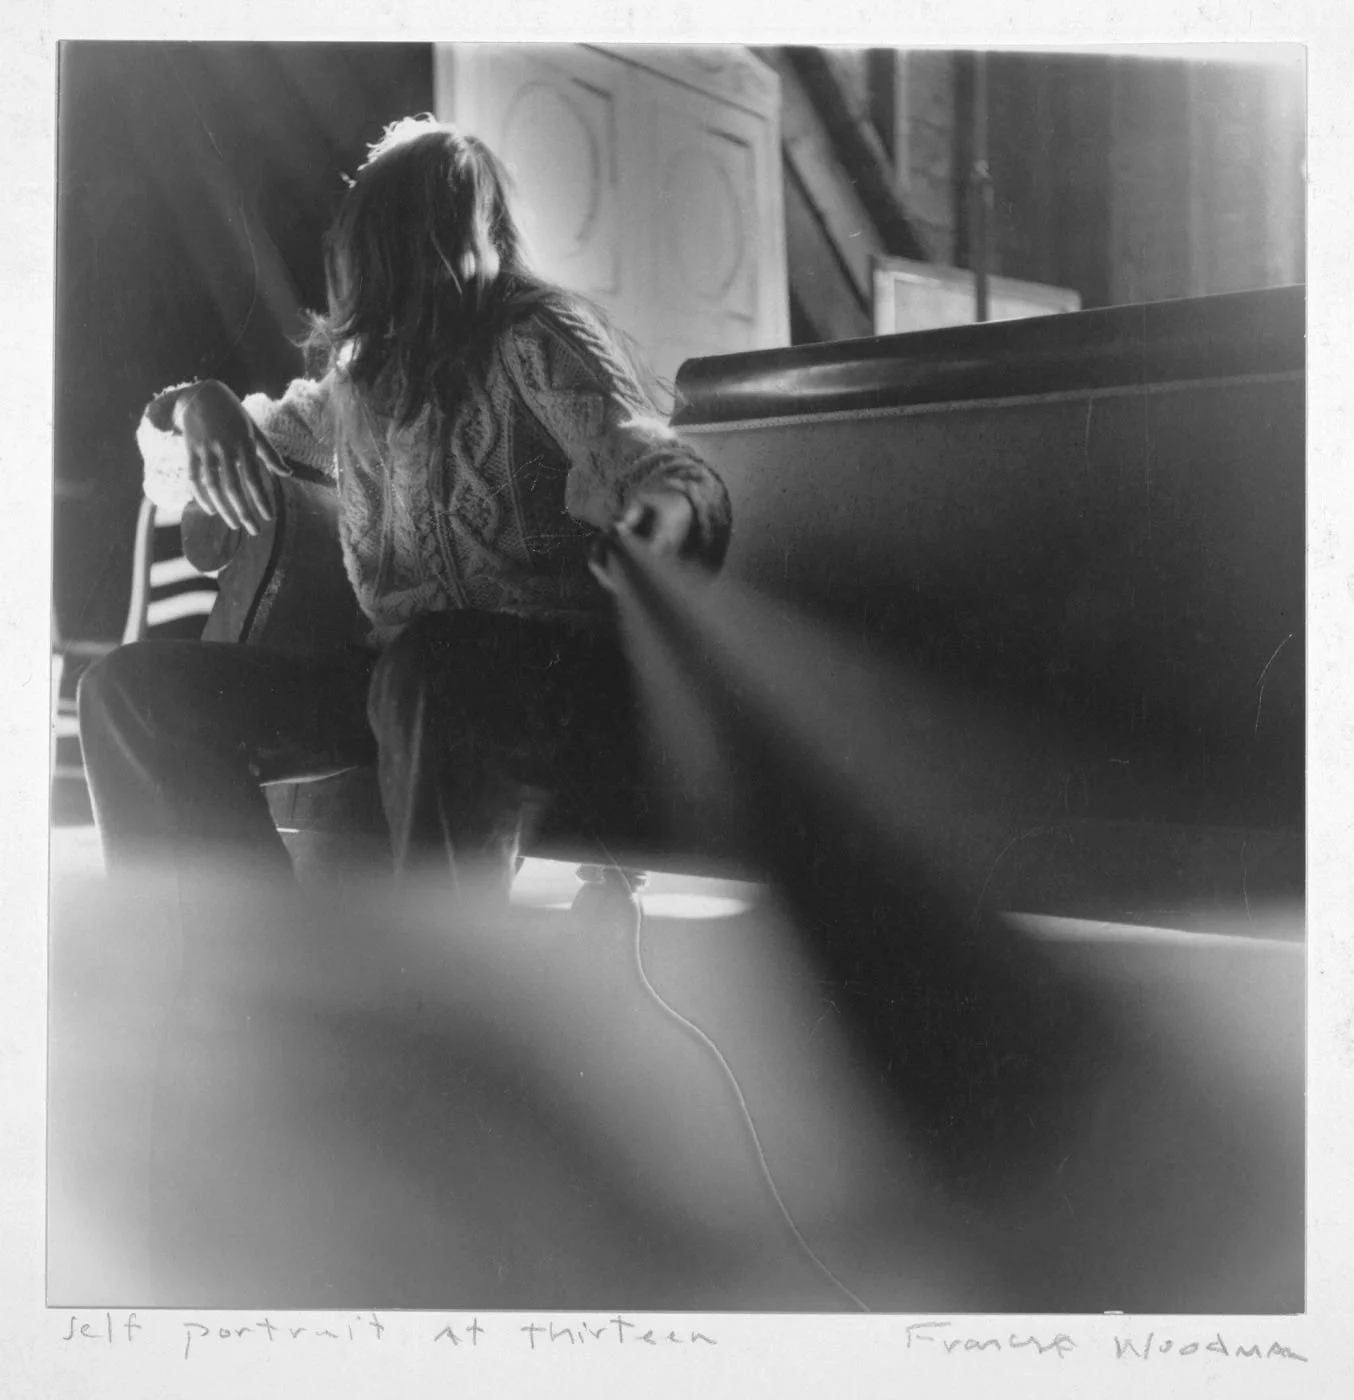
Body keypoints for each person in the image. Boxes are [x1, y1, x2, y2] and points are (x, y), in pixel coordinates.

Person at [78, 115, 732, 904]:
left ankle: (444, 967)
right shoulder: (360, 385)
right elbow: (176, 478)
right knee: (131, 695)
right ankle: (243, 952)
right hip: (401, 679)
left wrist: (665, 511)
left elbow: (644, 454)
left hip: (554, 679)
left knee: (429, 666)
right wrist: (196, 406)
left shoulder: (535, 336)